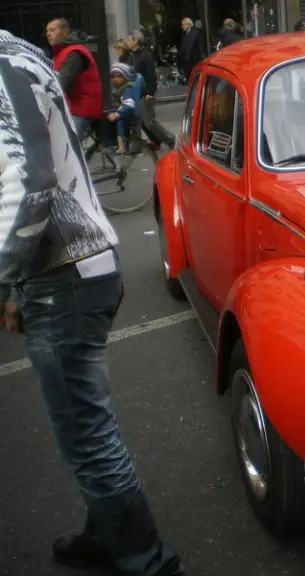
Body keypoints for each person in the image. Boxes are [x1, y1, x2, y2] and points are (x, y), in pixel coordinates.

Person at [0, 29, 184, 576]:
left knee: (87, 434)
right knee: (86, 426)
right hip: (78, 267)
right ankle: (107, 530)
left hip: (63, 275)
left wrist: (4, 276)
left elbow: (31, 182)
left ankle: (148, 560)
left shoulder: (7, 66)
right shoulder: (24, 55)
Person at [45, 18, 102, 140]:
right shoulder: (60, 53)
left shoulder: (74, 53)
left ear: (65, 32)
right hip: (71, 106)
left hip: (81, 109)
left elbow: (60, 84)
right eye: (47, 31)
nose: (48, 34)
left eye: (52, 30)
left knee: (70, 145)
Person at [126, 31, 175, 151]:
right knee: (142, 121)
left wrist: (150, 92)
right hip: (137, 92)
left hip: (145, 93)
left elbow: (151, 75)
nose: (127, 42)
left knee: (149, 121)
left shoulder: (145, 55)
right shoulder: (134, 55)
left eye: (129, 40)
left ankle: (170, 138)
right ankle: (156, 141)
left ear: (136, 41)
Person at [106, 62, 141, 154]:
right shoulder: (118, 88)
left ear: (125, 76)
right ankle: (110, 142)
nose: (115, 79)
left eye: (119, 76)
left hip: (130, 114)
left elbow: (129, 105)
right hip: (123, 111)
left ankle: (122, 145)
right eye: (113, 77)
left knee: (120, 123)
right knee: (105, 114)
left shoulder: (128, 88)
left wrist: (117, 114)